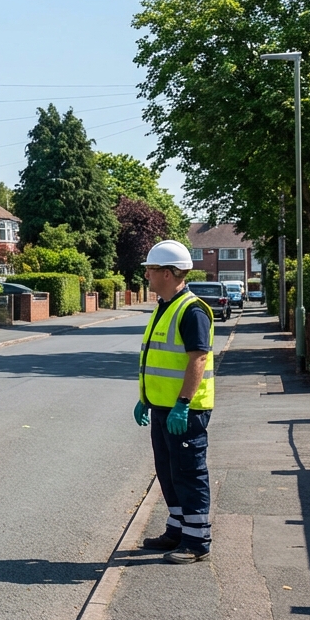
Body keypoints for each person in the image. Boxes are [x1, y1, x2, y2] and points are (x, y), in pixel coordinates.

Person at [134, 239, 215, 564]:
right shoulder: (165, 306)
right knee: (168, 471)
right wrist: (145, 400)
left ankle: (197, 542)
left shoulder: (192, 310)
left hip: (186, 411)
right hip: (162, 407)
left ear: (168, 273)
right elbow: (156, 361)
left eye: (151, 270)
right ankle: (178, 529)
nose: (147, 276)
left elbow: (198, 359)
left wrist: (183, 403)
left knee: (189, 472)